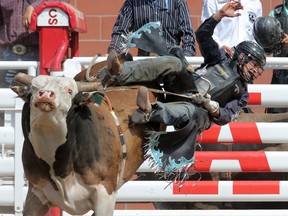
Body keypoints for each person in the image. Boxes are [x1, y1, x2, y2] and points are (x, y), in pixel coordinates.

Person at [109, 1, 265, 178]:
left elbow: (227, 115)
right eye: (254, 65)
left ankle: (148, 112)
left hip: (198, 113)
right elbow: (203, 36)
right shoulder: (220, 57)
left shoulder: (243, 93)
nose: (255, 71)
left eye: (258, 69)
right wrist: (218, 16)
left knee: (191, 110)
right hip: (187, 87)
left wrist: (213, 108)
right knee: (175, 60)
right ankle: (120, 72)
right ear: (243, 56)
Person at [0, 0, 69, 88]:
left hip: (37, 53)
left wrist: (34, 7)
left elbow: (62, 1)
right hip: (8, 53)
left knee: (38, 89)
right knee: (4, 92)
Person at [107, 0, 196, 57]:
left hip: (172, 59)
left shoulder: (178, 2)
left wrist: (186, 57)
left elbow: (188, 34)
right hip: (144, 61)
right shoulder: (133, 2)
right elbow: (121, 32)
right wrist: (113, 52)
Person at [253, 1, 288, 113]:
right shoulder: (276, 13)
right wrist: (269, 43)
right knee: (275, 117)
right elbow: (265, 48)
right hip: (280, 77)